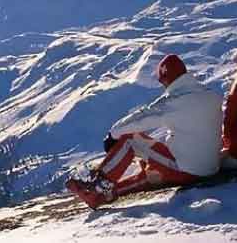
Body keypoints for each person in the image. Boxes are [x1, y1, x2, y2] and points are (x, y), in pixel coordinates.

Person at [66, 53, 222, 209]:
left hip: (187, 169)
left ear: (166, 78)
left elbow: (142, 117)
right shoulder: (211, 95)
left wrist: (113, 134)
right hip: (210, 168)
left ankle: (98, 187)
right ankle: (105, 195)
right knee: (152, 171)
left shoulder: (173, 101)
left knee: (131, 140)